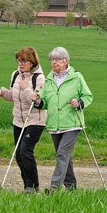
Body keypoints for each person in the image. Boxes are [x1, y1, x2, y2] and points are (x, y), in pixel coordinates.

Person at [32, 47, 93, 192]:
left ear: (66, 61)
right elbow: (45, 101)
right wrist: (38, 102)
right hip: (54, 124)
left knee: (62, 154)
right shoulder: (49, 78)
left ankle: (55, 187)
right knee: (65, 158)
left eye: (57, 59)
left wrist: (79, 103)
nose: (54, 62)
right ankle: (72, 188)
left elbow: (87, 96)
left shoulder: (76, 77)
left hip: (72, 123)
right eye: (52, 59)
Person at [0, 46, 46, 193]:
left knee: (26, 150)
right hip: (18, 121)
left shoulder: (39, 78)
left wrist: (26, 88)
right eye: (19, 60)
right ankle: (27, 185)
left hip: (35, 120)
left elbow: (37, 102)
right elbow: (14, 97)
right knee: (19, 155)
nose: (20, 64)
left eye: (24, 61)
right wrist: (2, 92)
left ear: (32, 62)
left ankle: (34, 186)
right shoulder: (15, 75)